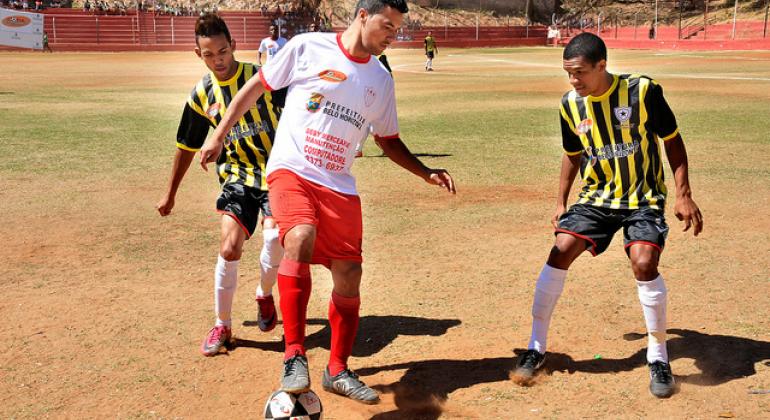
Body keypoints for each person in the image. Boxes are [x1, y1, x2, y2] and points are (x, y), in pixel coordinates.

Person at [199, 0, 455, 404]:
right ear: (362, 16)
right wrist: (218, 134)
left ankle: (337, 369)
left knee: (349, 272)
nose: (393, 35)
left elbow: (387, 141)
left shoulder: (381, 80)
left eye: (397, 29)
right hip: (292, 170)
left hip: (339, 184)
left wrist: (426, 171)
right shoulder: (307, 47)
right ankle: (294, 355)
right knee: (297, 236)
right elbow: (256, 87)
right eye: (387, 26)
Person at [513, 32, 703, 399]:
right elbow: (572, 153)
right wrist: (560, 202)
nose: (573, 80)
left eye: (580, 72)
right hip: (598, 197)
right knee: (561, 248)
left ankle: (658, 356)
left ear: (602, 65)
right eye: (568, 73)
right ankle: (536, 347)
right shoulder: (570, 104)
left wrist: (683, 195)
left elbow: (672, 139)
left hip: (642, 198)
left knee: (644, 262)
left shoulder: (643, 92)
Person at [156, 13, 285, 357]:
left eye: (223, 51)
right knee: (229, 248)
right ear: (198, 54)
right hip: (237, 176)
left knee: (274, 237)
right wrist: (170, 193)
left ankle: (263, 293)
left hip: (275, 173)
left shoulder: (262, 78)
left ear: (234, 46)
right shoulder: (202, 94)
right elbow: (186, 145)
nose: (219, 60)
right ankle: (222, 324)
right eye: (210, 54)